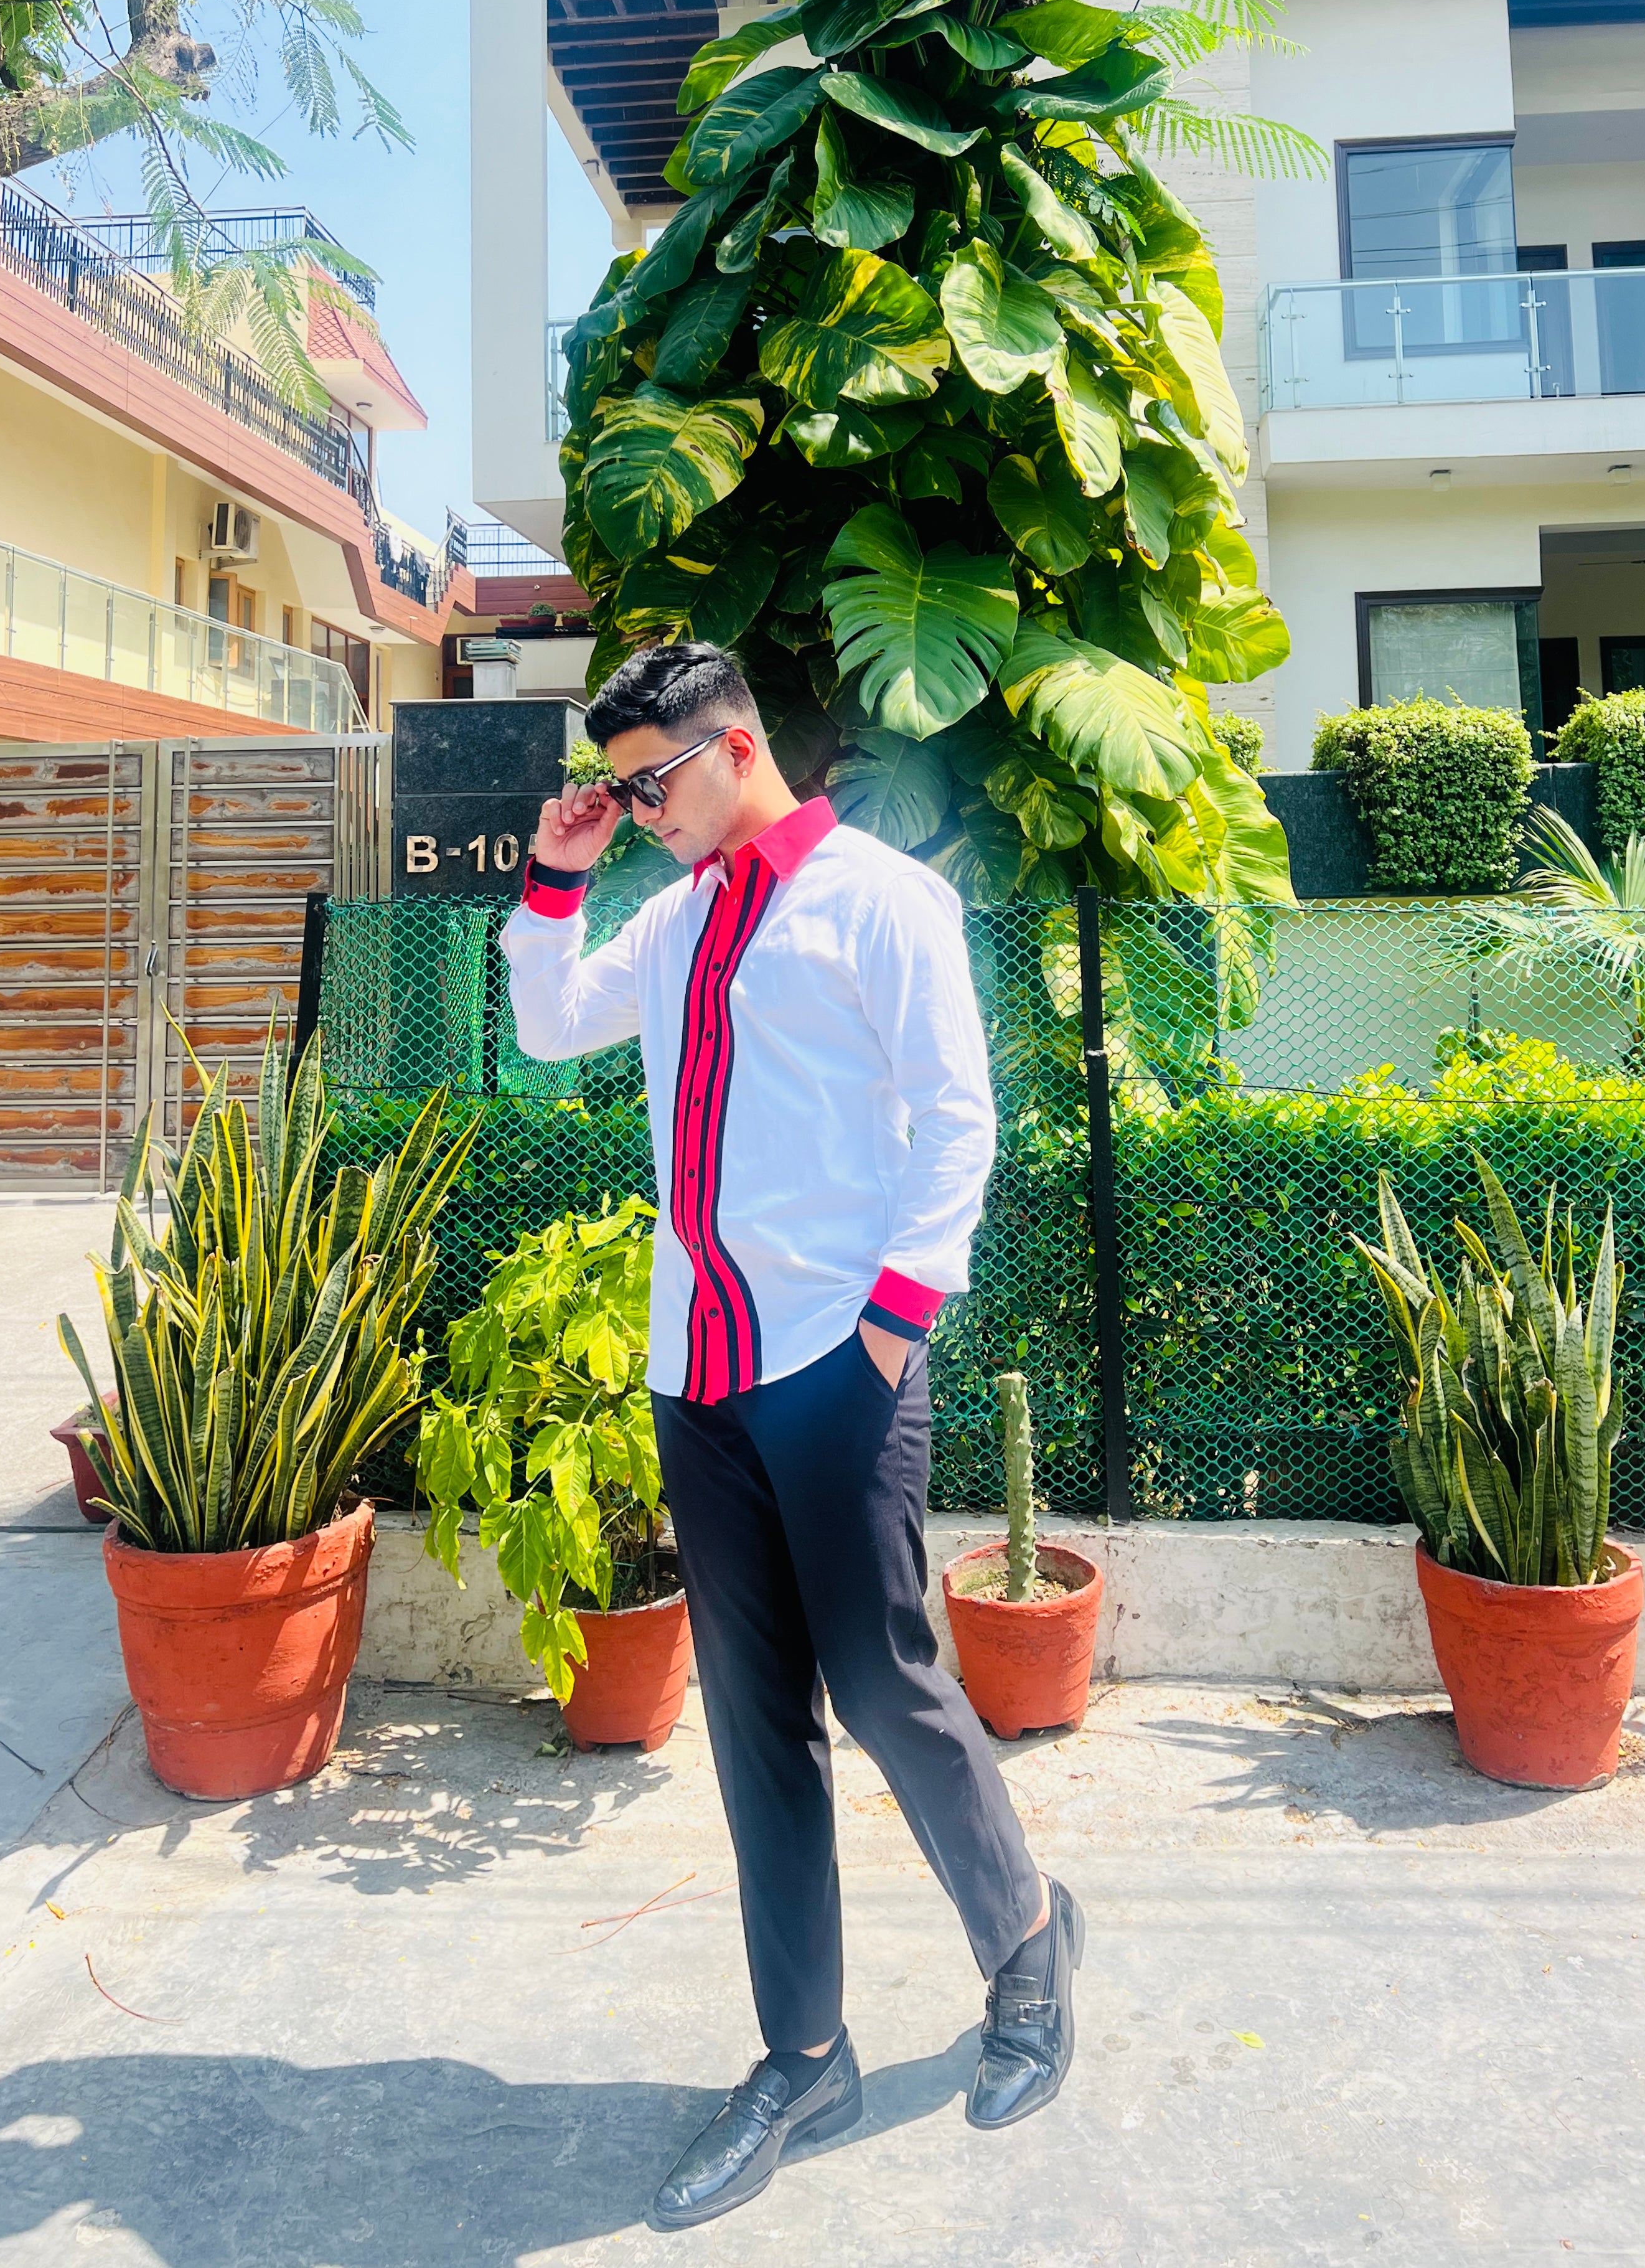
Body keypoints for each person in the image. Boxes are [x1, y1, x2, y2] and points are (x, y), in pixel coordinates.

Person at [503, 641, 1083, 2230]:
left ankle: (1025, 1946)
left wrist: (898, 1321)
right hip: (697, 1371)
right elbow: (550, 1028)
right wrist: (556, 883)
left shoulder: (882, 901)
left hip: (838, 1359)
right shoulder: (672, 916)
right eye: (615, 791)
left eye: (646, 785)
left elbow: (955, 1112)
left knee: (885, 1687)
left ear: (735, 747)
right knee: (757, 1722)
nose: (632, 813)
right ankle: (802, 2050)